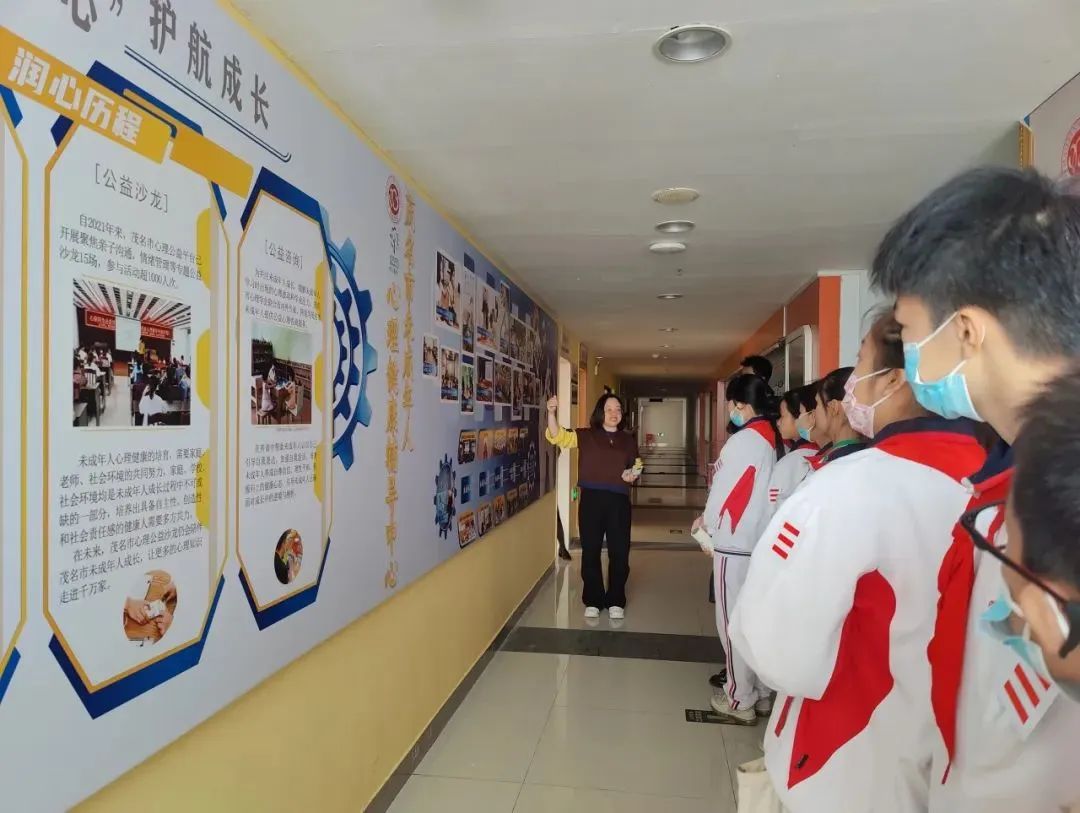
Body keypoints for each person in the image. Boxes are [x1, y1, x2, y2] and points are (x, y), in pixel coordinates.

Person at [870, 166, 1080, 812]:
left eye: (907, 331)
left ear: (965, 330)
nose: (907, 357)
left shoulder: (1057, 498)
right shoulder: (1005, 482)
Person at [730, 312, 986, 811]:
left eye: (861, 360)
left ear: (894, 379)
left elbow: (773, 644)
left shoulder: (846, 486)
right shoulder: (1001, 490)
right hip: (949, 766)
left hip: (842, 760)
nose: (849, 385)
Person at [692, 373, 784, 724]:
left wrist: (708, 524)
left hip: (735, 542)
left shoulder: (743, 441)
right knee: (755, 619)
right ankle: (760, 692)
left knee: (732, 622)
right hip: (761, 542)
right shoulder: (774, 438)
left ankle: (738, 698)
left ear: (741, 405)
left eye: (731, 404)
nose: (730, 410)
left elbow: (723, 488)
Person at [546, 393, 642, 620]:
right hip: (591, 500)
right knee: (591, 550)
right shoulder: (586, 435)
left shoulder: (628, 440)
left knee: (620, 551)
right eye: (609, 409)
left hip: (619, 502)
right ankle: (593, 599)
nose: (614, 413)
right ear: (600, 412)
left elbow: (637, 464)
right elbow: (558, 436)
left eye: (617, 409)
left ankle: (616, 599)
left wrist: (633, 474)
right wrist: (551, 413)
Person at [767, 384, 819, 513]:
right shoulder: (822, 453)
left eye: (782, 416)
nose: (778, 422)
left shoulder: (790, 463)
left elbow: (772, 512)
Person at [808, 367, 866, 468]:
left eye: (817, 404)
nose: (814, 412)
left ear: (834, 407)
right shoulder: (860, 454)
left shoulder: (841, 462)